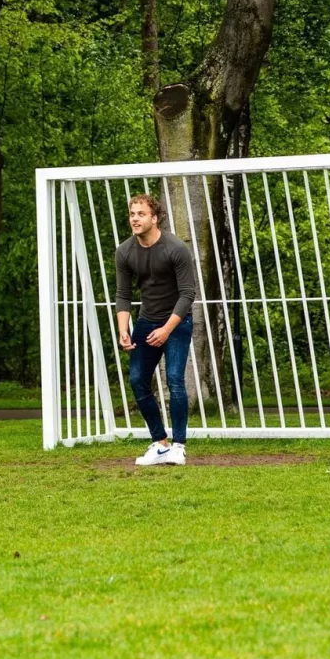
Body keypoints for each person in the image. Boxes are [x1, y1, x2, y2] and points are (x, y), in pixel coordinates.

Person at [114, 193, 196, 467]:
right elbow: (123, 295)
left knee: (174, 379)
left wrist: (166, 329)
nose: (135, 219)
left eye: (141, 214)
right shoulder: (125, 251)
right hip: (146, 322)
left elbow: (187, 294)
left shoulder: (175, 248)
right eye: (132, 214)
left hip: (176, 322)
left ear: (154, 217)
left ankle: (179, 446)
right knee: (137, 380)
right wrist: (123, 330)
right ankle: (160, 443)